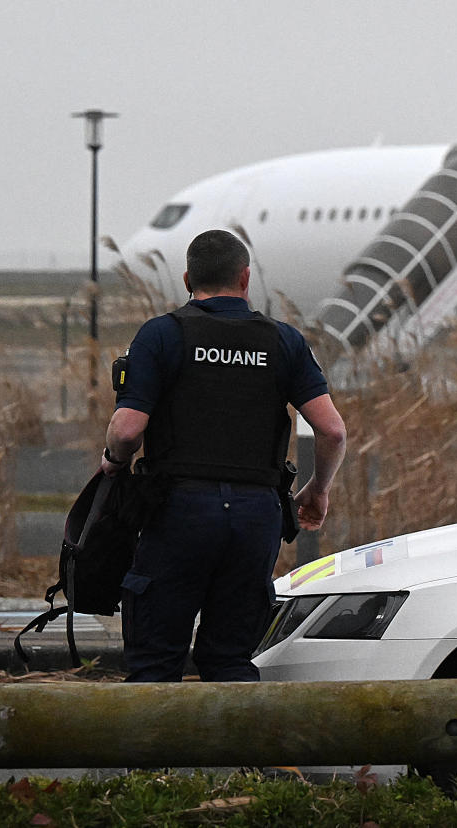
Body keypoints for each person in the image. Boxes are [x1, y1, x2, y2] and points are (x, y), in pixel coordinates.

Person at [100, 229, 347, 683]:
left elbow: (128, 429)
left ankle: (158, 757)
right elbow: (332, 429)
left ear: (188, 277)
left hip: (178, 512)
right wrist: (317, 489)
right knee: (230, 661)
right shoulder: (283, 340)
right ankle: (238, 756)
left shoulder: (162, 335)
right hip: (256, 516)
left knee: (155, 662)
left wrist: (113, 462)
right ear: (245, 277)